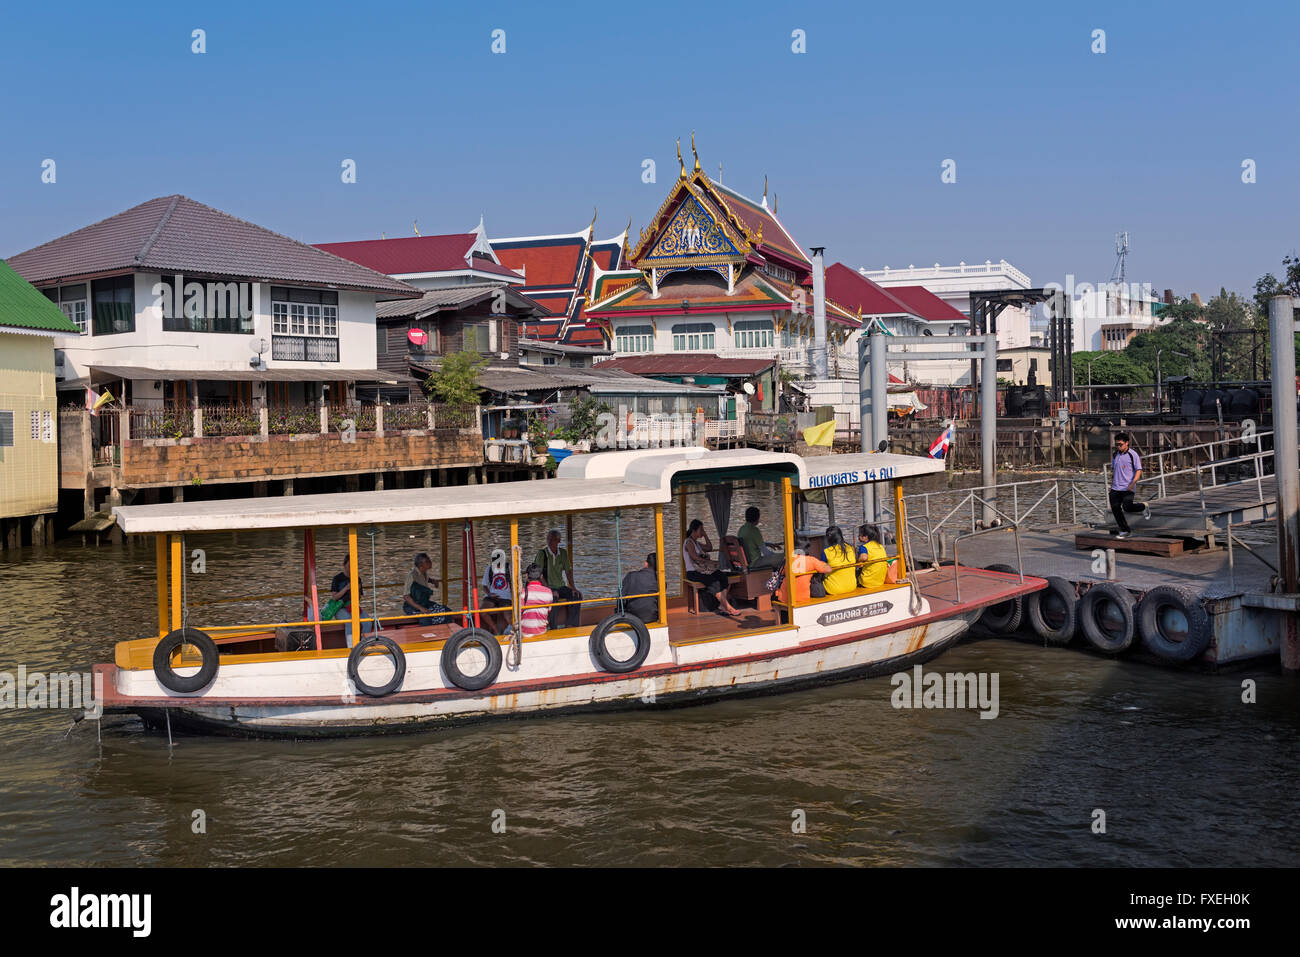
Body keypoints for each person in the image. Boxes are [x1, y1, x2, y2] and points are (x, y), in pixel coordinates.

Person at [683, 519, 742, 617]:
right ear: (694, 531)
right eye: (700, 530)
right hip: (693, 572)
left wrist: (705, 535)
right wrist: (710, 562)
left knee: (723, 577)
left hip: (703, 570)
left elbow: (709, 547)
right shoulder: (688, 542)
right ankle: (729, 608)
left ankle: (721, 605)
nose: (702, 531)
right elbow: (694, 557)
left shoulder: (696, 543)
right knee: (713, 582)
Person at [533, 530, 583, 628]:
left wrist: (573, 587)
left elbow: (568, 571)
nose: (549, 541)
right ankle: (553, 627)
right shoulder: (542, 554)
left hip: (560, 586)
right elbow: (538, 574)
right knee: (553, 598)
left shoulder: (563, 553)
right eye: (548, 539)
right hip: (547, 587)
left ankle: (571, 625)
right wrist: (548, 590)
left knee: (577, 596)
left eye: (552, 539)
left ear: (558, 541)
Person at [1109, 432, 1150, 540]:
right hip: (1115, 488)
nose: (1118, 447)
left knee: (1127, 507)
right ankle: (1125, 530)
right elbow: (1114, 470)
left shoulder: (1133, 454)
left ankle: (1143, 506)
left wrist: (1133, 483)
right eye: (1116, 445)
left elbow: (1139, 470)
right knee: (1115, 509)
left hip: (1128, 487)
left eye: (1120, 444)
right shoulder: (1115, 454)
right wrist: (1111, 483)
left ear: (1127, 443)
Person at [328, 554, 374, 644]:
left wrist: (356, 590)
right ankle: (352, 648)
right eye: (349, 566)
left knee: (367, 621)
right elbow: (334, 597)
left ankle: (364, 644)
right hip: (339, 608)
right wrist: (346, 588)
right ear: (344, 565)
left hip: (353, 606)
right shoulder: (337, 578)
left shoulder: (357, 579)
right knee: (350, 622)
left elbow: (358, 598)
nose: (351, 569)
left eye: (354, 566)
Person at [774, 539, 832, 606]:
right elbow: (828, 569)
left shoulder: (788, 560)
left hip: (784, 597)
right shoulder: (811, 560)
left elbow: (782, 572)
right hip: (802, 598)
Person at [403, 552, 453, 626]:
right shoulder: (412, 576)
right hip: (412, 607)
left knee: (446, 611)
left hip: (425, 603)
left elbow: (425, 579)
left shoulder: (424, 573)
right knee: (426, 619)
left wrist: (433, 581)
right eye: (427, 561)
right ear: (421, 565)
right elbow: (406, 596)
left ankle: (446, 632)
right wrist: (421, 608)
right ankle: (427, 636)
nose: (430, 562)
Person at [737, 506, 783, 570]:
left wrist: (767, 544)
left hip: (746, 563)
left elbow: (750, 542)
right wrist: (775, 556)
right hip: (755, 563)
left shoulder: (741, 529)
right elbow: (766, 553)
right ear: (757, 518)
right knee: (785, 557)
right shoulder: (754, 530)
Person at [856, 524, 899, 590]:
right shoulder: (880, 546)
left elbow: (864, 557)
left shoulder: (864, 547)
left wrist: (857, 562)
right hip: (880, 581)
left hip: (867, 582)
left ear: (865, 537)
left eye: (860, 535)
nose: (858, 536)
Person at [620, 552, 660, 623]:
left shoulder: (631, 576)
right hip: (652, 617)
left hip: (632, 617)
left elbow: (621, 598)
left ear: (646, 564)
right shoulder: (660, 580)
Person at [480, 548, 513, 634]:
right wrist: (489, 594)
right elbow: (484, 586)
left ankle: (512, 631)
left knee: (509, 618)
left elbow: (515, 584)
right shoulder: (489, 569)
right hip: (492, 596)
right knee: (482, 612)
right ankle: (494, 628)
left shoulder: (509, 567)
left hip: (506, 597)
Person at [820, 525, 859, 595]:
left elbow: (821, 568)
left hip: (833, 589)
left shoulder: (826, 551)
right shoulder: (851, 548)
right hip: (852, 586)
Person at [520, 563, 552, 638]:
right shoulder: (549, 592)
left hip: (525, 633)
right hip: (542, 631)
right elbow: (548, 611)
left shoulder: (522, 593)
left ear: (527, 576)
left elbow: (518, 613)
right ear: (541, 577)